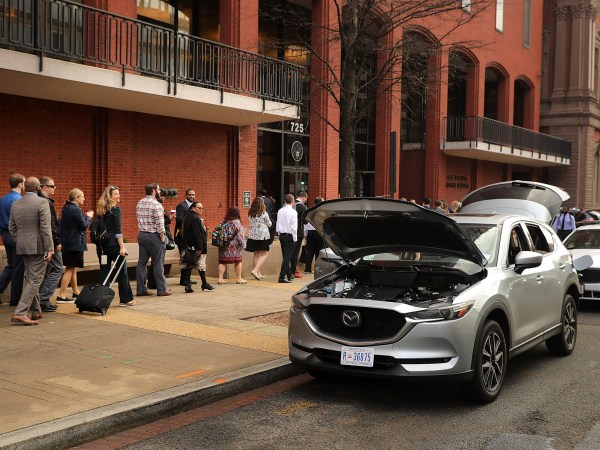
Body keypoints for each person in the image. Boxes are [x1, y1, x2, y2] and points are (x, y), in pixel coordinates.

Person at [9, 176, 54, 325]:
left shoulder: (16, 204)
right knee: (35, 279)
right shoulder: (42, 202)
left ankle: (36, 310)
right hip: (38, 247)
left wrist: (20, 240)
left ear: (24, 187)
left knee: (30, 278)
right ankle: (20, 312)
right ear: (38, 188)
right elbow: (45, 228)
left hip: (22, 246)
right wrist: (50, 248)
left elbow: (12, 228)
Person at [96, 186, 135, 306]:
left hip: (102, 248)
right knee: (122, 272)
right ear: (110, 196)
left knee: (104, 272)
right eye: (116, 194)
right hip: (114, 246)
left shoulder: (100, 211)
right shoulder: (116, 210)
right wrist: (122, 247)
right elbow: (118, 231)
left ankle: (99, 299)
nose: (119, 196)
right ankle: (125, 299)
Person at [57, 188, 93, 303]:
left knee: (72, 268)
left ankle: (75, 292)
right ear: (76, 198)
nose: (84, 198)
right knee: (70, 268)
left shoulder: (66, 208)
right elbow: (83, 226)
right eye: (82, 196)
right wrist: (89, 217)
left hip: (68, 242)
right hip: (74, 243)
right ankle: (61, 295)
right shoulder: (76, 210)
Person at [136, 182, 172, 297]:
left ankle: (141, 289)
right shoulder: (156, 205)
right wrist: (162, 237)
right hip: (154, 236)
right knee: (158, 263)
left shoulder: (140, 202)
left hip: (142, 234)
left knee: (141, 263)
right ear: (153, 191)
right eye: (158, 190)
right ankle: (162, 289)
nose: (160, 192)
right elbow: (160, 224)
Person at [37, 177, 62, 312]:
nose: (55, 188)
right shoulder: (46, 202)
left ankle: (41, 299)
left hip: (41, 242)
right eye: (53, 186)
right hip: (50, 242)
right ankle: (44, 299)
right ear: (45, 187)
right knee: (57, 268)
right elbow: (50, 226)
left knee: (47, 271)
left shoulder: (38, 201)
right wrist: (57, 242)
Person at [0, 173, 25, 306]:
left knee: (11, 266)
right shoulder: (18, 200)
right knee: (18, 267)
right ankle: (15, 299)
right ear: (20, 184)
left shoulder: (2, 199)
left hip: (5, 235)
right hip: (16, 235)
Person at [180, 201, 213, 292]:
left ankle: (191, 285)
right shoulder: (194, 217)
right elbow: (197, 233)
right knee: (200, 265)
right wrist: (200, 247)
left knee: (189, 265)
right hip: (195, 246)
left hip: (189, 246)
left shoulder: (189, 216)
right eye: (199, 208)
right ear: (193, 208)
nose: (201, 210)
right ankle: (203, 283)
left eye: (202, 208)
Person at [217, 207, 247, 284]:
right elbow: (240, 236)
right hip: (235, 247)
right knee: (238, 261)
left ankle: (220, 279)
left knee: (222, 262)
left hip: (223, 245)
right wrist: (244, 245)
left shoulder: (224, 222)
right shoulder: (237, 222)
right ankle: (239, 279)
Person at [245, 196, 272, 280]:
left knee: (256, 254)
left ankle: (258, 273)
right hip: (262, 236)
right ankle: (255, 270)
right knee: (265, 254)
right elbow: (269, 224)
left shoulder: (250, 213)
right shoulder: (263, 213)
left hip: (253, 236)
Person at [174, 189, 196, 287]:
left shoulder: (193, 206)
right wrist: (190, 222)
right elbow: (179, 219)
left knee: (189, 257)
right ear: (186, 195)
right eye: (190, 194)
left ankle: (188, 279)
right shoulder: (181, 206)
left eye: (193, 195)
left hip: (190, 237)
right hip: (182, 237)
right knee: (184, 257)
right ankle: (183, 280)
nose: (192, 196)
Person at [276, 194, 298, 283]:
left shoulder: (280, 211)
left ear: (285, 201)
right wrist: (295, 237)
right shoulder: (293, 212)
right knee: (287, 257)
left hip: (282, 235)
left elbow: (278, 223)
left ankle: (289, 275)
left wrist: (279, 233)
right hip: (290, 235)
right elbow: (293, 226)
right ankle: (281, 276)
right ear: (293, 202)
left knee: (286, 256)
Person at [303, 196, 325, 273]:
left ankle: (307, 269)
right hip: (319, 233)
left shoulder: (309, 211)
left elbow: (305, 224)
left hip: (310, 233)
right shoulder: (322, 212)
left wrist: (305, 233)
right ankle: (317, 269)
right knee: (319, 252)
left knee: (309, 251)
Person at [290, 191, 308, 278]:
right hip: (298, 232)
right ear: (304, 197)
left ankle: (292, 269)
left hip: (289, 231)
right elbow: (305, 222)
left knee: (290, 251)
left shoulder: (290, 205)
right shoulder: (303, 207)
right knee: (296, 252)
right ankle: (293, 271)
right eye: (306, 199)